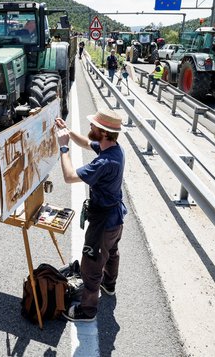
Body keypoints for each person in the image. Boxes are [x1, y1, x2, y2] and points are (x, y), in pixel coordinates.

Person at [55, 109, 127, 322]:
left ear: (104, 132)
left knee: (91, 264)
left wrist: (64, 147)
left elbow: (69, 176)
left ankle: (87, 311)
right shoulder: (114, 149)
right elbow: (87, 143)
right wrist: (67, 130)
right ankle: (109, 284)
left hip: (103, 222)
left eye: (94, 126)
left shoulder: (104, 163)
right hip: (115, 218)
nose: (91, 128)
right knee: (111, 253)